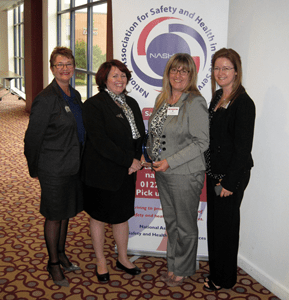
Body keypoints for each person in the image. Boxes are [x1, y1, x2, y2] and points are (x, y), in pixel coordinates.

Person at [145, 53, 209, 287]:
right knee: (172, 222)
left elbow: (202, 142)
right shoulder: (163, 99)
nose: (178, 75)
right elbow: (155, 132)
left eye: (184, 71)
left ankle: (183, 267)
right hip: (163, 173)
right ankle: (174, 263)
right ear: (168, 73)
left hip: (185, 174)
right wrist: (152, 154)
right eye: (174, 70)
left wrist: (170, 161)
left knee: (185, 224)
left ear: (191, 75)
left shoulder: (194, 102)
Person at [24, 47, 85, 287]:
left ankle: (61, 253)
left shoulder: (75, 95)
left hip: (73, 164)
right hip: (53, 167)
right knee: (54, 215)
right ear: (52, 68)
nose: (65, 68)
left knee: (66, 212)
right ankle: (53, 263)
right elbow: (32, 139)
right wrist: (36, 169)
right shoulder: (46, 98)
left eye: (69, 63)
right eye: (60, 64)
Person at [81, 59, 145, 283]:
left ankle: (123, 258)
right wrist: (129, 160)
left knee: (121, 216)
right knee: (98, 217)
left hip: (127, 172)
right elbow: (101, 142)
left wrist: (136, 159)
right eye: (114, 76)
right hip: (102, 173)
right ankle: (101, 261)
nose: (120, 79)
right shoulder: (93, 105)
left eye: (123, 75)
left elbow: (139, 136)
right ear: (104, 79)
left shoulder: (132, 103)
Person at [204, 48, 255, 291]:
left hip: (229, 177)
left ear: (236, 71)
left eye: (226, 68)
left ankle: (224, 278)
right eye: (217, 68)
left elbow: (243, 149)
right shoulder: (216, 97)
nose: (220, 72)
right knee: (215, 226)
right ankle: (216, 270)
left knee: (225, 228)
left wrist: (228, 183)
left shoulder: (243, 103)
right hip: (213, 173)